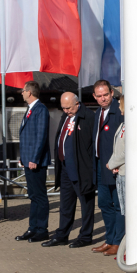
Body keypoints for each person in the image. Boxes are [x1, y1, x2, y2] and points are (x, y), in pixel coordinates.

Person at [45, 92, 97, 248]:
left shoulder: (88, 116)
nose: (66, 110)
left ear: (77, 103)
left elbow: (91, 144)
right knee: (66, 205)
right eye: (63, 108)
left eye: (68, 107)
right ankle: (62, 235)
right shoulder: (66, 116)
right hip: (65, 168)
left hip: (82, 169)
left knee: (86, 204)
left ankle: (85, 236)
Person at [15, 80, 51, 243]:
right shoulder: (30, 109)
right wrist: (24, 158)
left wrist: (34, 158)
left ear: (29, 92)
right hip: (28, 160)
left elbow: (41, 136)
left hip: (36, 161)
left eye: (23, 90)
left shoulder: (40, 109)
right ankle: (32, 228)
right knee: (33, 195)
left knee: (40, 196)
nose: (21, 93)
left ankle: (42, 229)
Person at [92, 80, 124, 257]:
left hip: (114, 167)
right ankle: (109, 239)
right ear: (94, 97)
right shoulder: (98, 112)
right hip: (100, 164)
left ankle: (119, 242)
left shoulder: (119, 112)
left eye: (106, 94)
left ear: (112, 93)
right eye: (99, 96)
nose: (103, 98)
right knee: (104, 204)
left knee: (118, 206)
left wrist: (118, 163)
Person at [107, 94, 126, 232]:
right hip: (120, 172)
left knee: (126, 209)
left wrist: (112, 163)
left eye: (120, 103)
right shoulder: (124, 124)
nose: (119, 106)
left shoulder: (133, 125)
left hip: (126, 172)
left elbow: (129, 150)